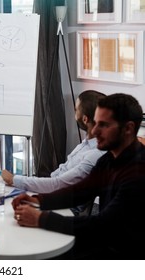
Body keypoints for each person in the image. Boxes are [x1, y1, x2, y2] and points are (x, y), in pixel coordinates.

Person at [12, 93, 145, 259]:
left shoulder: (138, 174)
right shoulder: (109, 158)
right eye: (95, 123)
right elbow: (80, 192)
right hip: (106, 243)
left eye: (103, 125)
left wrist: (41, 219)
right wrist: (39, 200)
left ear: (128, 129)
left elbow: (102, 224)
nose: (94, 131)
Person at [2, 90, 106, 196]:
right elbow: (55, 179)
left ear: (85, 119)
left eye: (76, 109)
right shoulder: (85, 144)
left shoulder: (95, 154)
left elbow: (58, 185)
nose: (74, 113)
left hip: (62, 203)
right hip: (52, 192)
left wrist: (14, 179)